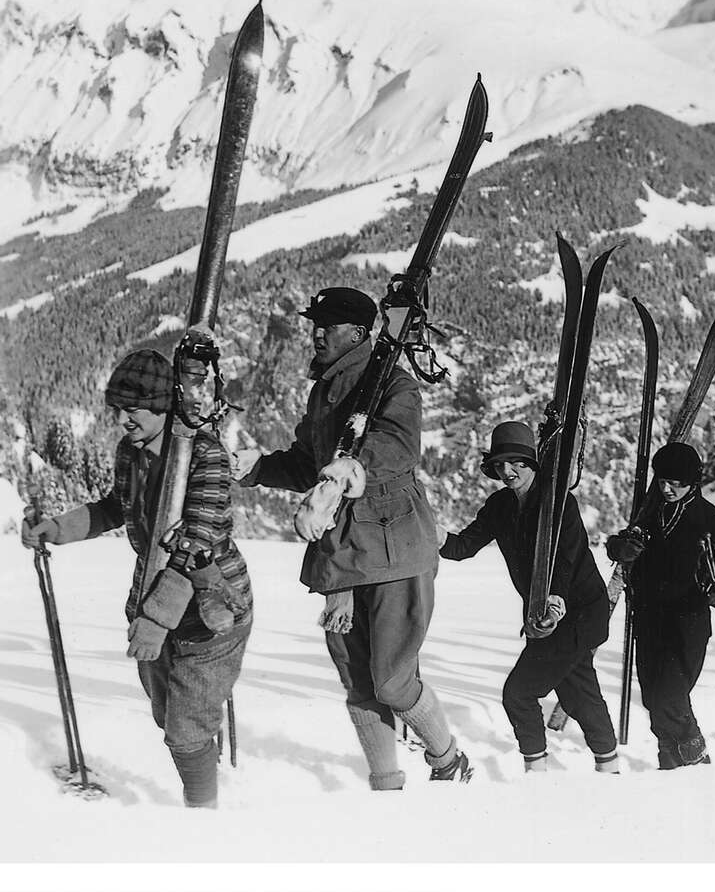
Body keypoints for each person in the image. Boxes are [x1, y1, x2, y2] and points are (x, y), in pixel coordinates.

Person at [234, 287, 469, 788]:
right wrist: (256, 468)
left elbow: (399, 446)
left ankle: (448, 760)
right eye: (314, 324)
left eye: (328, 326)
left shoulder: (393, 384)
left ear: (360, 334)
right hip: (341, 558)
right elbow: (307, 463)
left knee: (391, 680)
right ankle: (385, 786)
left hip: (393, 549)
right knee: (358, 682)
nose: (316, 334)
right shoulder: (325, 391)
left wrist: (352, 469)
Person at [21, 349, 252, 808]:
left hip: (212, 606)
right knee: (168, 714)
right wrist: (61, 528)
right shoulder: (132, 453)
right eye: (119, 409)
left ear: (164, 405)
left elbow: (194, 545)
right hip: (152, 597)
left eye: (135, 409)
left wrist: (156, 620)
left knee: (184, 731)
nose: (124, 419)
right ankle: (204, 759)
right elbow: (115, 507)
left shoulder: (203, 454)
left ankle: (204, 815)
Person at [440, 421, 619, 773]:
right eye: (500, 465)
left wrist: (555, 599)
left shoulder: (557, 503)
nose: (508, 471)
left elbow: (566, 557)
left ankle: (537, 773)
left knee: (519, 693)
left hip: (577, 611)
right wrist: (428, 533)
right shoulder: (499, 506)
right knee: (578, 690)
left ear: (532, 462)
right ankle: (608, 766)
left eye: (517, 462)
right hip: (544, 616)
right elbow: (462, 547)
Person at [604, 442, 715, 769]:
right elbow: (621, 542)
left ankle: (695, 756)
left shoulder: (707, 516)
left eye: (676, 483)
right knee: (654, 697)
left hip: (687, 621)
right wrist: (619, 548)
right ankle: (670, 762)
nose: (667, 488)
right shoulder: (648, 510)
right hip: (648, 619)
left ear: (693, 482)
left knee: (669, 695)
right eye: (662, 480)